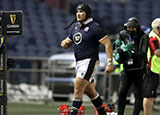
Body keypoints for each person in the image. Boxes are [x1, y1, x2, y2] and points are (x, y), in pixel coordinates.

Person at [61, 3, 114, 115]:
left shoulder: (95, 27)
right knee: (90, 91)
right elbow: (68, 42)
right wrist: (65, 44)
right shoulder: (75, 26)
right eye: (77, 12)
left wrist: (110, 63)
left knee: (78, 87)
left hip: (89, 61)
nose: (78, 14)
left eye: (81, 12)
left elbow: (108, 44)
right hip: (79, 62)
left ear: (87, 13)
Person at [113, 17, 148, 115]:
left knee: (138, 94)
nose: (130, 30)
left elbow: (143, 54)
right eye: (129, 28)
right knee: (122, 93)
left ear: (137, 28)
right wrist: (120, 53)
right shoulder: (122, 34)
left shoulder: (143, 36)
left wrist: (130, 54)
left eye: (133, 28)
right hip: (126, 69)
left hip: (139, 70)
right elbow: (118, 46)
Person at [143, 18, 160, 115]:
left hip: (157, 69)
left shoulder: (158, 36)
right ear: (157, 28)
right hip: (152, 69)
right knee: (149, 94)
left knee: (152, 95)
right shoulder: (153, 37)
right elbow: (157, 52)